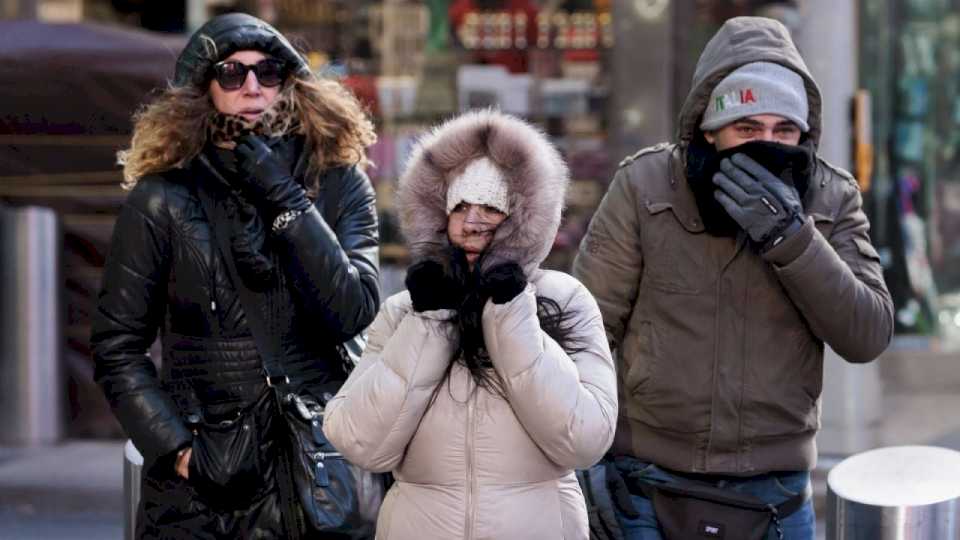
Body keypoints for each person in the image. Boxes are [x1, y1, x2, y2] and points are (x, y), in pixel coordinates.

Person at [572, 16, 894, 540]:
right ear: (708, 128)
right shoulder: (646, 183)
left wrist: (794, 238)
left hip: (775, 489)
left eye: (783, 131)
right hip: (646, 481)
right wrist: (581, 451)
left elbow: (867, 333)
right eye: (747, 129)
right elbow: (585, 328)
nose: (766, 144)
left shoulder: (830, 197)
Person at [90, 13, 380, 539]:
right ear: (204, 87)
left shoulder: (339, 183)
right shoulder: (163, 200)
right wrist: (178, 451)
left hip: (318, 471)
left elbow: (354, 312)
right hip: (208, 482)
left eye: (267, 71)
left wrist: (284, 195)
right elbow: (117, 345)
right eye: (231, 73)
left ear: (288, 82)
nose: (252, 86)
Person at [322, 109, 618, 540]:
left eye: (491, 207)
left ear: (522, 217)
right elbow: (361, 442)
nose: (472, 222)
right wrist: (429, 322)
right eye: (459, 205)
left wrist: (511, 313)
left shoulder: (562, 300)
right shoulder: (406, 311)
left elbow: (585, 439)